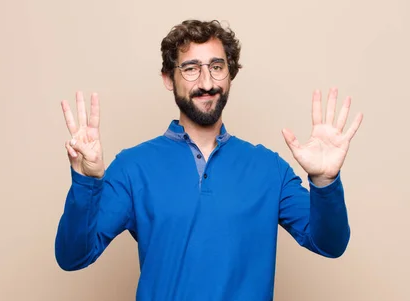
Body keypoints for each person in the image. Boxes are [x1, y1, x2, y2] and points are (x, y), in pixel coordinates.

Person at [55, 19, 363, 300]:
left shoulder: (269, 168)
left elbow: (329, 245)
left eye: (217, 66)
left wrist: (325, 181)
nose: (206, 82)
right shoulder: (133, 166)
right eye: (191, 68)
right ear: (168, 77)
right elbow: (73, 256)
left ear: (231, 74)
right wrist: (86, 182)